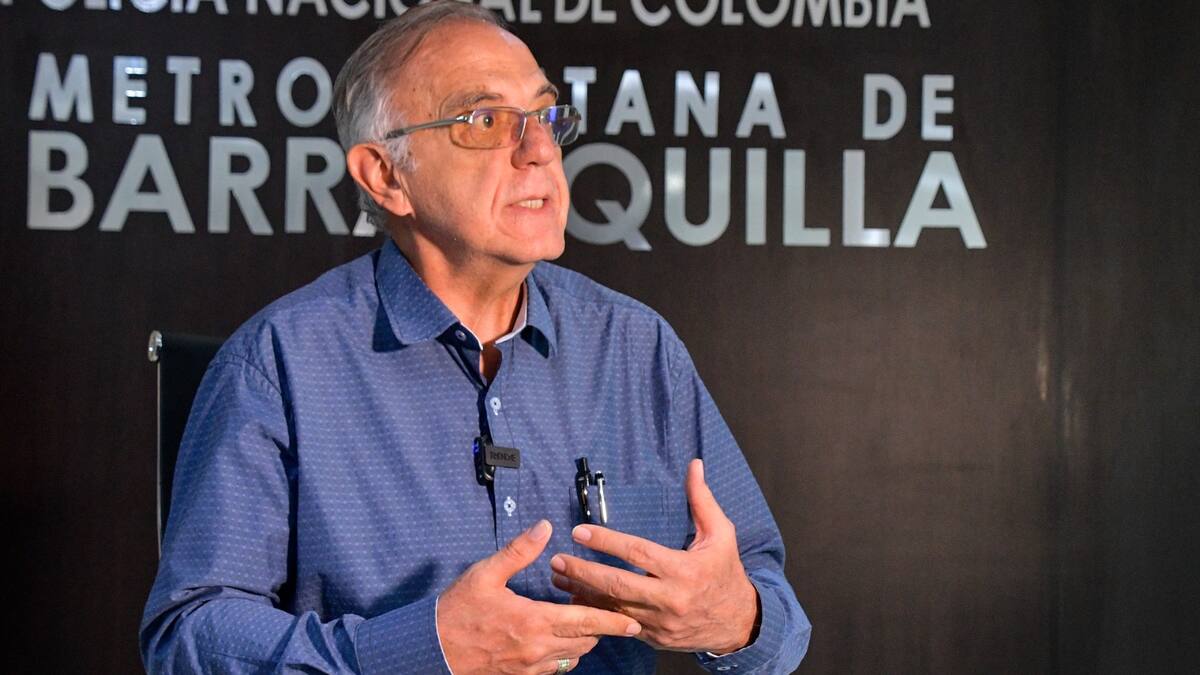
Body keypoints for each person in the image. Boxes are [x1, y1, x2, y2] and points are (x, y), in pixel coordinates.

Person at [140, 2, 811, 673]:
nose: (540, 149)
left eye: (545, 115)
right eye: (487, 122)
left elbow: (774, 617)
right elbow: (187, 637)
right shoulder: (279, 364)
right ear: (386, 175)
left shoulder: (636, 348)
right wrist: (419, 650)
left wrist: (735, 619)